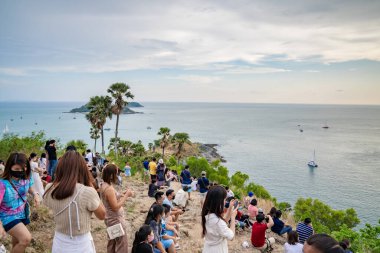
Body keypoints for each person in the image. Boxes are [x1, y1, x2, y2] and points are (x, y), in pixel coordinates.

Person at [43, 150, 106, 253]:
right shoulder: (87, 192)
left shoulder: (49, 188)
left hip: (59, 241)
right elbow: (102, 215)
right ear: (82, 169)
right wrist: (90, 184)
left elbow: (49, 202)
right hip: (82, 244)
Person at [0, 152, 40, 253]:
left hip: (22, 213)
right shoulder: (3, 184)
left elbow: (30, 187)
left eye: (23, 168)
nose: (21, 171)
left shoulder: (26, 177)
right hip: (7, 216)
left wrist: (35, 194)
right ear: (9, 167)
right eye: (17, 169)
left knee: (17, 242)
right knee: (26, 239)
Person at [100, 164, 134, 253]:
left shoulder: (103, 185)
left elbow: (110, 199)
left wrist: (121, 194)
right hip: (115, 220)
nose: (118, 176)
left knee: (112, 243)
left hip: (109, 219)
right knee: (121, 245)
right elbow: (115, 207)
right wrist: (126, 196)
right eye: (116, 173)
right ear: (111, 175)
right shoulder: (109, 189)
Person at [202, 185, 237, 253]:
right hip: (218, 249)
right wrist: (233, 218)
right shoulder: (217, 222)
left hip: (209, 248)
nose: (225, 202)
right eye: (224, 199)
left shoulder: (208, 213)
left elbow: (223, 222)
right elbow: (231, 236)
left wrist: (230, 208)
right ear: (218, 201)